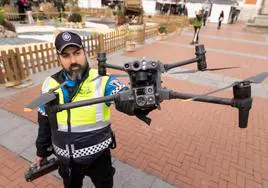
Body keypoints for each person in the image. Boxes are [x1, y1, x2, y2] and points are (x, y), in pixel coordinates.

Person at [34, 31, 149, 188]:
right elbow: (43, 120)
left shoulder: (103, 79)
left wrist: (140, 102)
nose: (73, 60)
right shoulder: (49, 83)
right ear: (59, 58)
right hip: (67, 162)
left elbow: (124, 97)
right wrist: (41, 152)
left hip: (99, 158)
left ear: (85, 52)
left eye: (77, 53)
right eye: (66, 56)